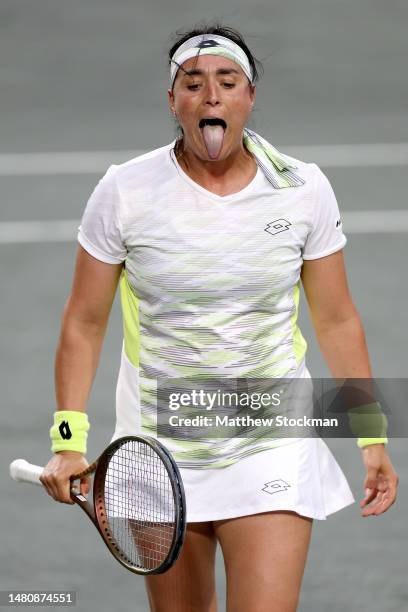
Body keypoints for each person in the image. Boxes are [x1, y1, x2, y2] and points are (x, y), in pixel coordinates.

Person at [40, 23, 399, 612]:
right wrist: (68, 438)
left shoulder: (302, 189)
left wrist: (371, 433)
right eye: (193, 83)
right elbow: (83, 321)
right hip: (159, 444)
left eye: (227, 82)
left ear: (249, 97)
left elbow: (336, 320)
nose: (211, 96)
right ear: (173, 101)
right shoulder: (125, 192)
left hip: (270, 434)